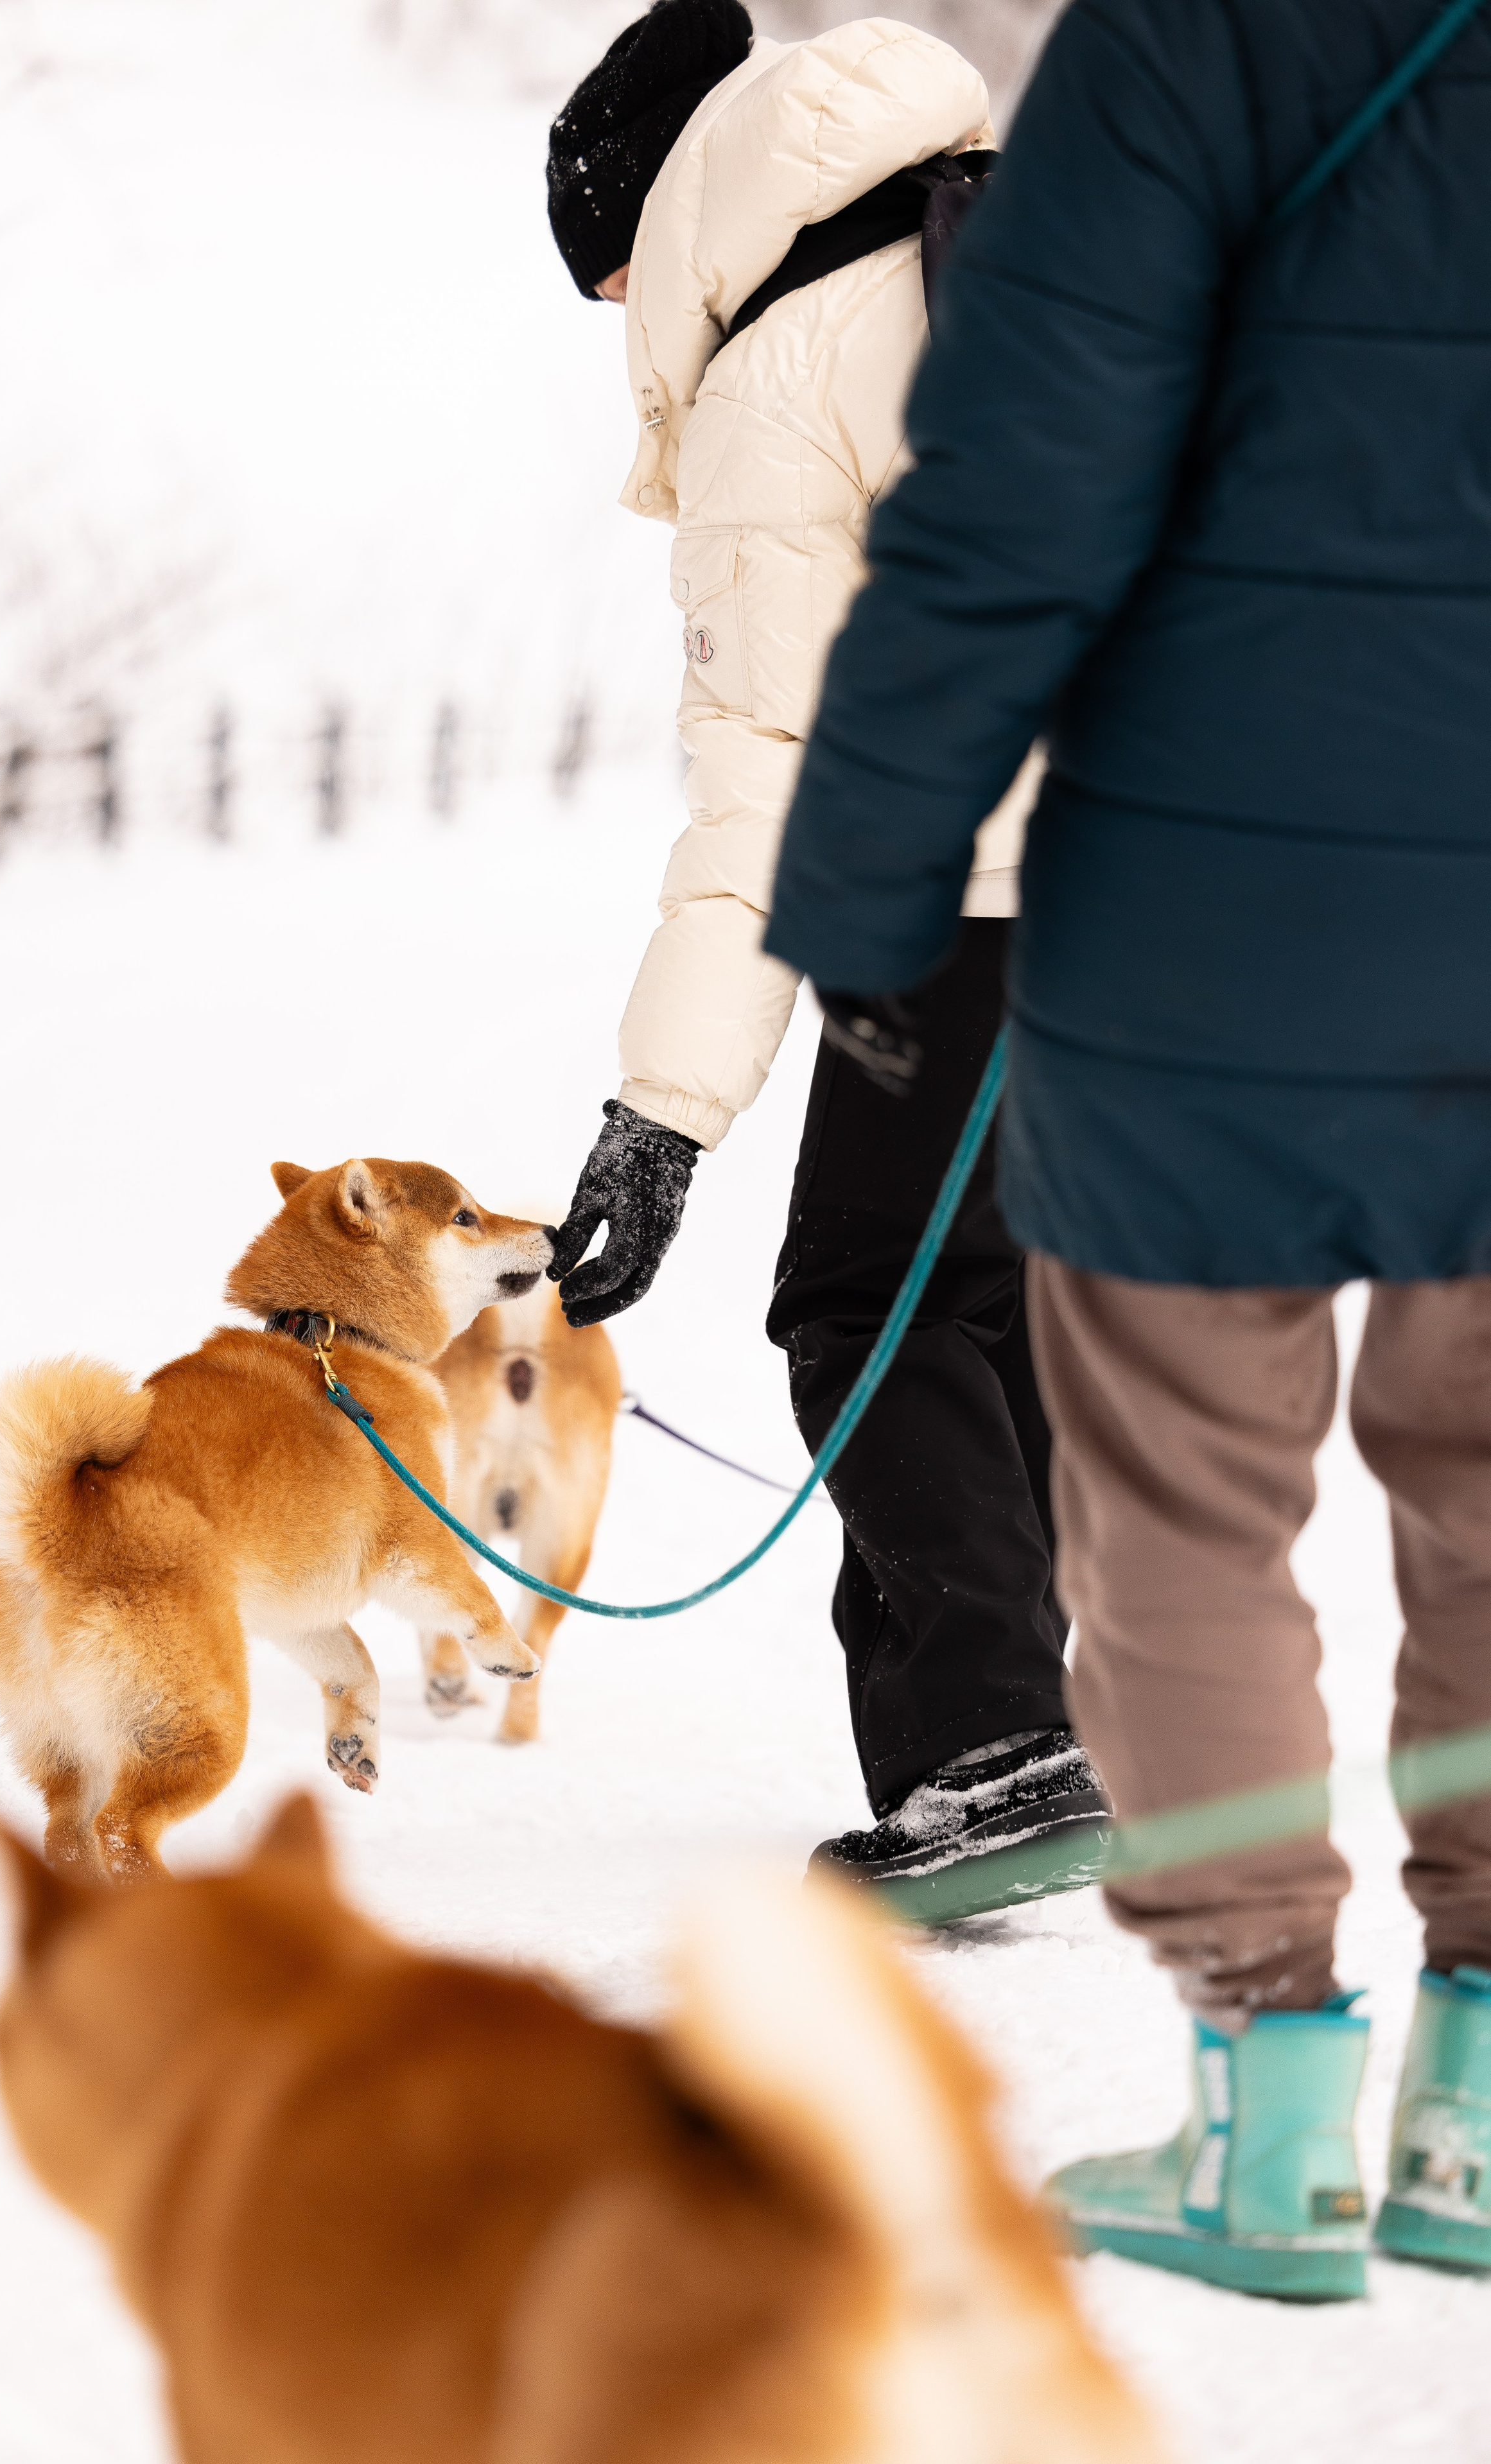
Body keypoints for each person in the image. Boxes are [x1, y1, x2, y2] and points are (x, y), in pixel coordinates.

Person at [763, 0, 1491, 2298]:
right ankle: (1476, 2112)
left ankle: (1268, 2125)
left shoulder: (1177, 54)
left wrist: (873, 906)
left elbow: (1002, 504)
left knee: (1186, 1490)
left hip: (1200, 916)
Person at [542, 0, 1108, 1920]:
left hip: (972, 895)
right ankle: (1003, 1752)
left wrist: (660, 1116)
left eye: (609, 281)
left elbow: (768, 794)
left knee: (867, 1306)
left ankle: (994, 1753)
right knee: (989, 1304)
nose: (626, 327)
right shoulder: (1036, 236)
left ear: (670, 219)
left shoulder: (787, 374)